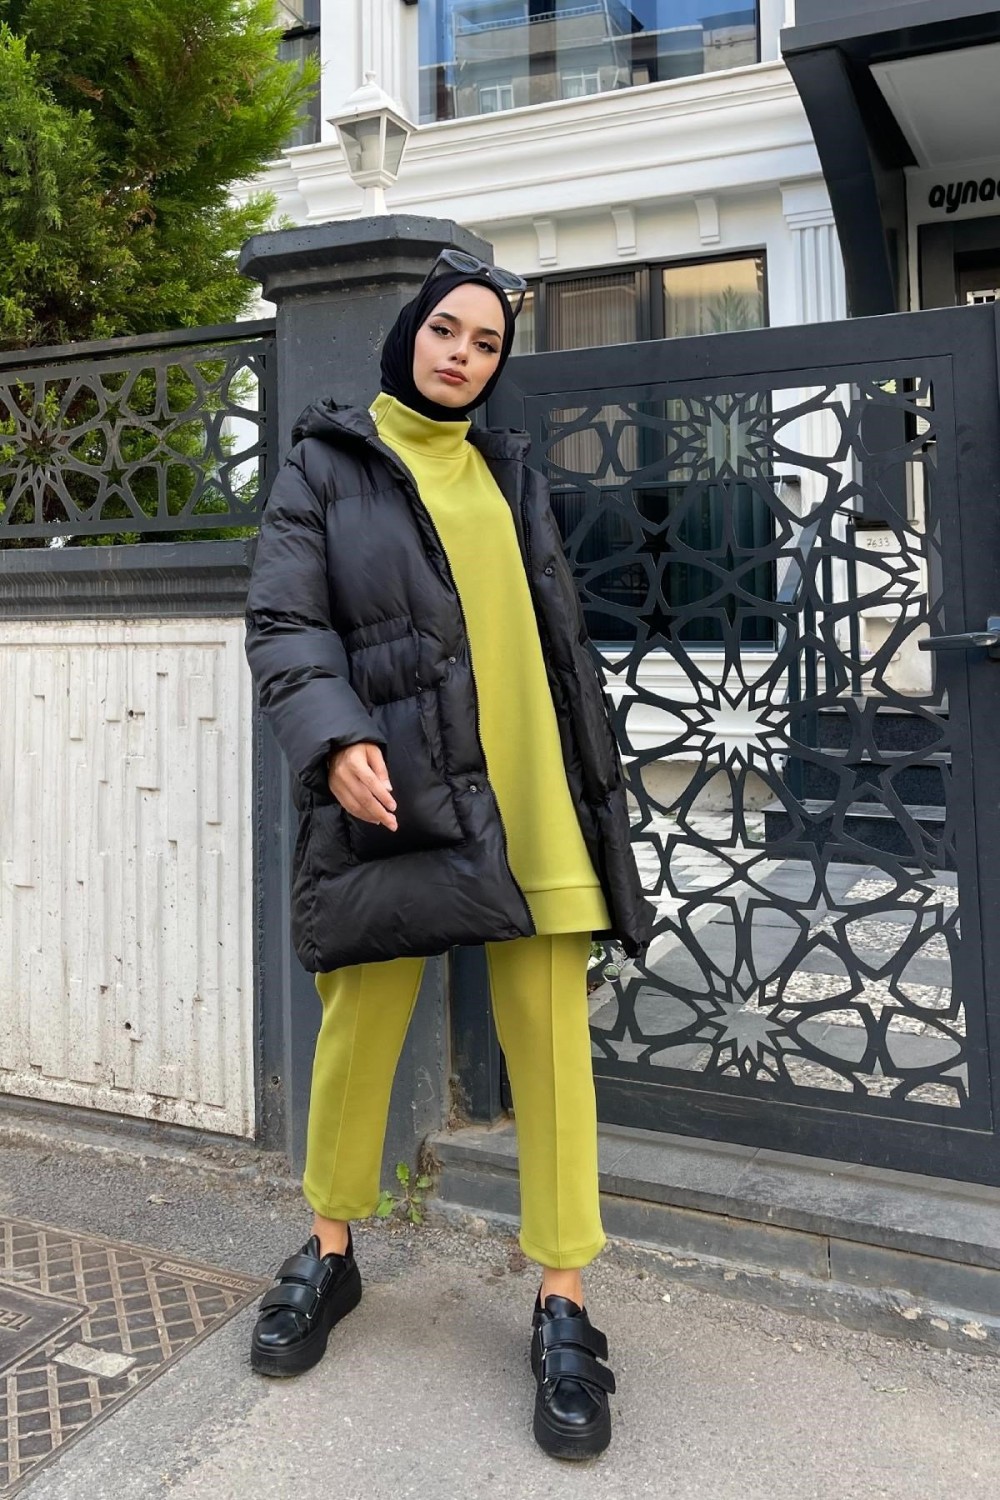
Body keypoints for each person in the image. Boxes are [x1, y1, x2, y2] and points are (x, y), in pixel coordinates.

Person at [243, 247, 652, 1461]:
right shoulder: (327, 464)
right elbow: (286, 619)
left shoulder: (507, 470)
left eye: (485, 343)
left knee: (553, 1051)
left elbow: (550, 633)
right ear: (407, 334)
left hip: (536, 794)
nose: (462, 355)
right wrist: (334, 740)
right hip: (397, 793)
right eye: (445, 331)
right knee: (361, 1022)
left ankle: (562, 1297)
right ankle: (329, 1251)